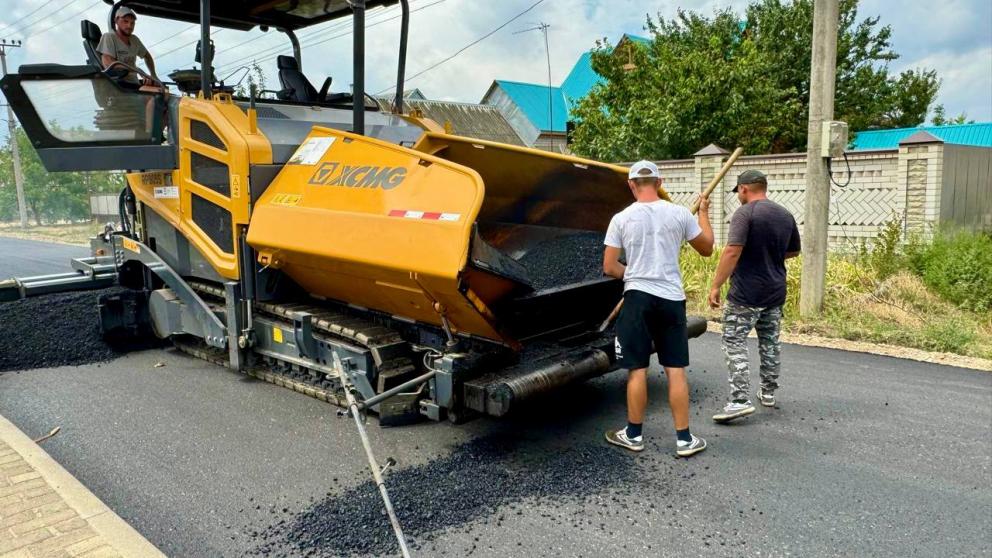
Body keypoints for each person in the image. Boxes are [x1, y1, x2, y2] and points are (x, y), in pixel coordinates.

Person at [603, 160, 714, 457]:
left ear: (631, 185)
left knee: (637, 369)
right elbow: (707, 248)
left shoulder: (621, 218)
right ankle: (684, 439)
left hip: (637, 299)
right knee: (675, 369)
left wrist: (635, 274)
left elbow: (609, 266)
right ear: (660, 182)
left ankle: (634, 435)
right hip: (671, 299)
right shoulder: (679, 214)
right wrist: (703, 213)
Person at [708, 170, 801, 424]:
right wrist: (769, 256)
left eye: (738, 191)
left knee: (734, 340)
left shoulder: (745, 213)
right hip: (775, 291)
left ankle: (739, 400)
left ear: (744, 189)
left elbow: (732, 252)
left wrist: (716, 285)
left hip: (746, 294)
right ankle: (768, 392)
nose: (738, 196)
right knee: (770, 342)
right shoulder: (784, 214)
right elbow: (793, 251)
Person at [96, 7, 165, 134]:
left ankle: (159, 133)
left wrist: (153, 75)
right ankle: (150, 136)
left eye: (132, 23)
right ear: (117, 21)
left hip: (135, 85)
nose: (129, 26)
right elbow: (108, 64)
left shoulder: (134, 40)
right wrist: (136, 69)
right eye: (125, 21)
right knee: (157, 95)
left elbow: (147, 56)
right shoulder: (109, 37)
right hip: (122, 88)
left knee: (167, 95)